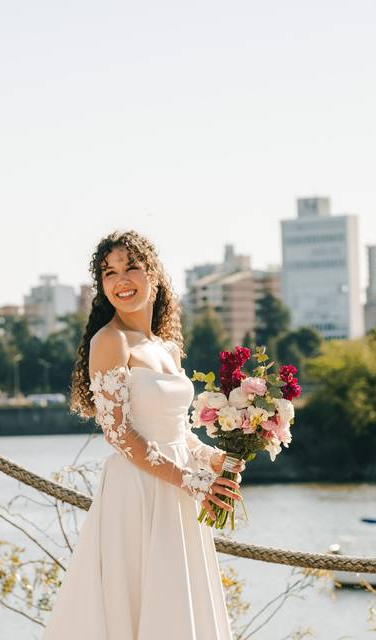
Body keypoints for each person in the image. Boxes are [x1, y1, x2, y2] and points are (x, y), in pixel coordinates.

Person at [43, 230, 245, 640]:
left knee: (174, 604)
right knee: (134, 603)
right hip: (138, 490)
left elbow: (179, 432)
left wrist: (217, 460)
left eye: (131, 267)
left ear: (153, 275)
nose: (121, 280)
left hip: (181, 489)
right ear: (101, 286)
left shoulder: (165, 347)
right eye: (109, 272)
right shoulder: (109, 341)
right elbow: (120, 436)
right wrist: (193, 482)